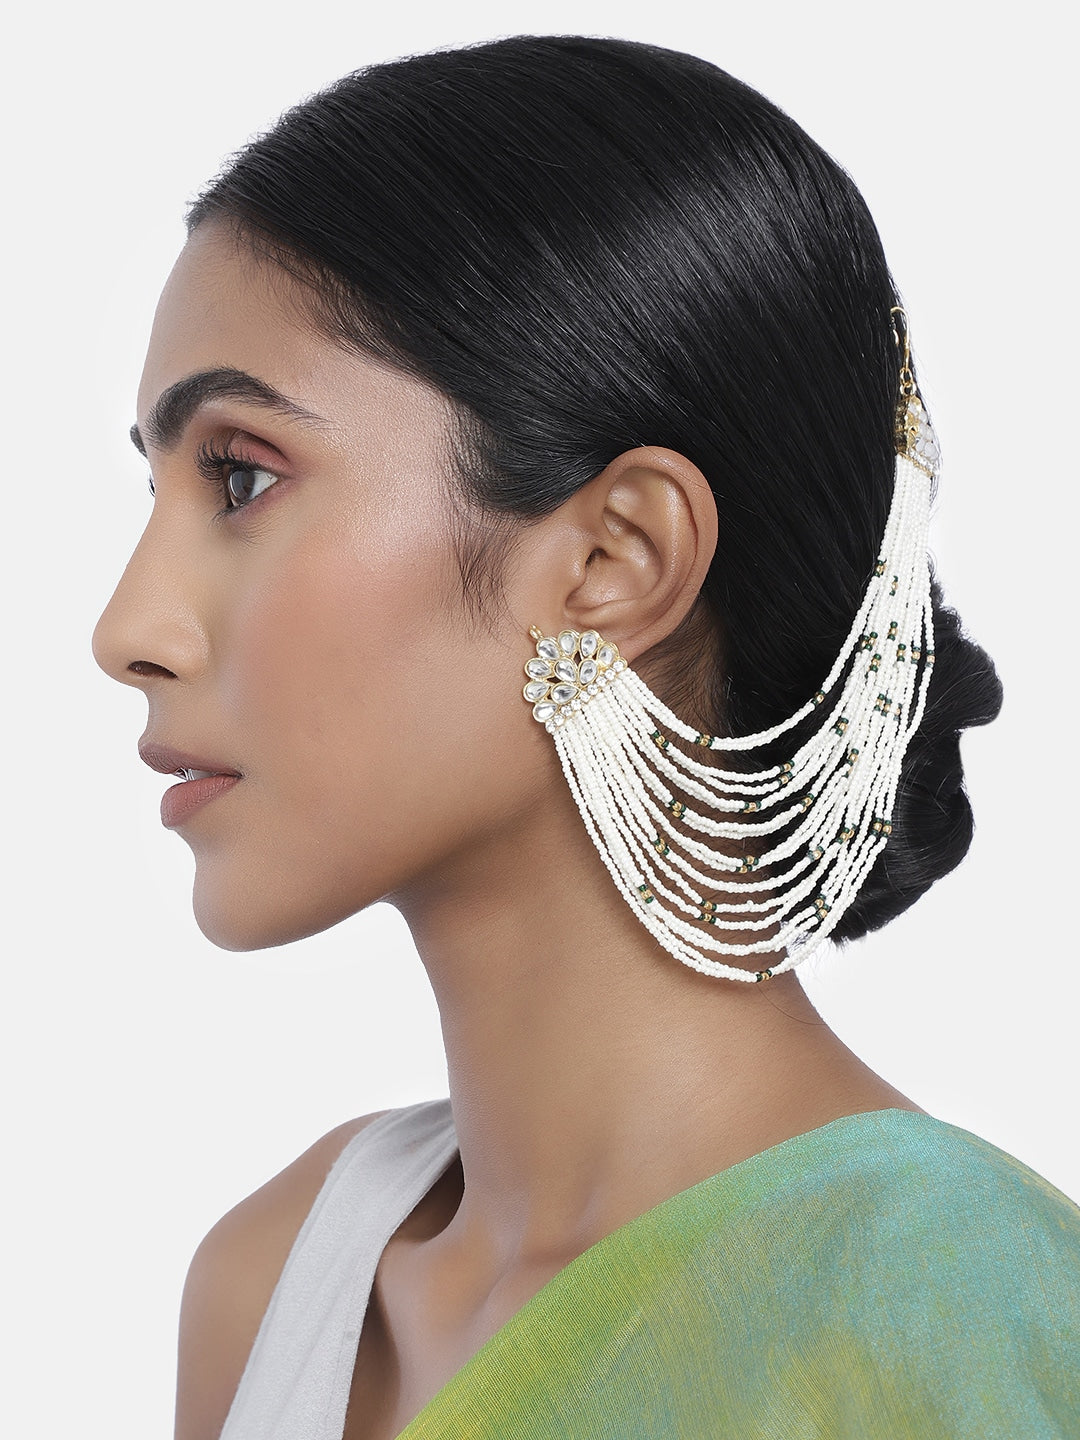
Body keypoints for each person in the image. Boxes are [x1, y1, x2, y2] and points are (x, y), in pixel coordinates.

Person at [91, 33, 1080, 1440]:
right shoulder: (276, 1285)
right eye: (155, 491)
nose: (127, 628)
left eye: (241, 478)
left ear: (618, 558)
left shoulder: (956, 1321)